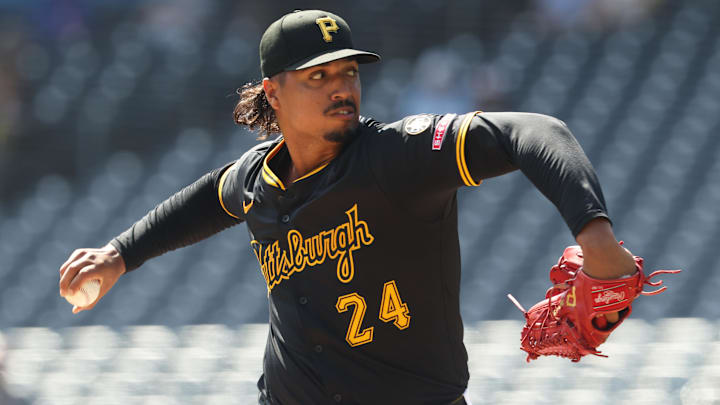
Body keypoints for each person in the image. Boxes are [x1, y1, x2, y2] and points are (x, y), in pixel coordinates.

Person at [58, 9, 637, 405]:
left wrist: (598, 241)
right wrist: (119, 254)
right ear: (272, 92)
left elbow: (535, 131)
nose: (342, 87)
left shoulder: (396, 156)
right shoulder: (257, 177)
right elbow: (205, 201)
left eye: (350, 72)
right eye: (320, 75)